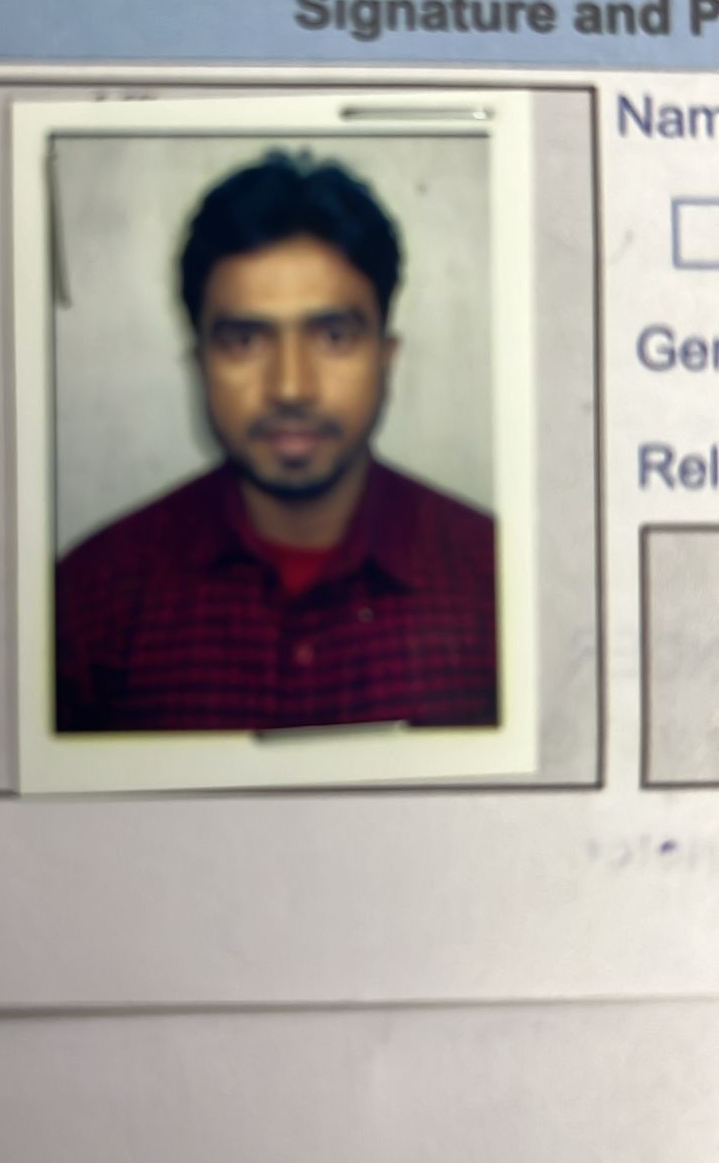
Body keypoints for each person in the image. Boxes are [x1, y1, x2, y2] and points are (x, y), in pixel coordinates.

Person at [55, 149, 496, 733]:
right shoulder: (89, 602)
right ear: (201, 364)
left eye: (334, 336)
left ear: (385, 359)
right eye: (245, 340)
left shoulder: (497, 586)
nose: (290, 387)